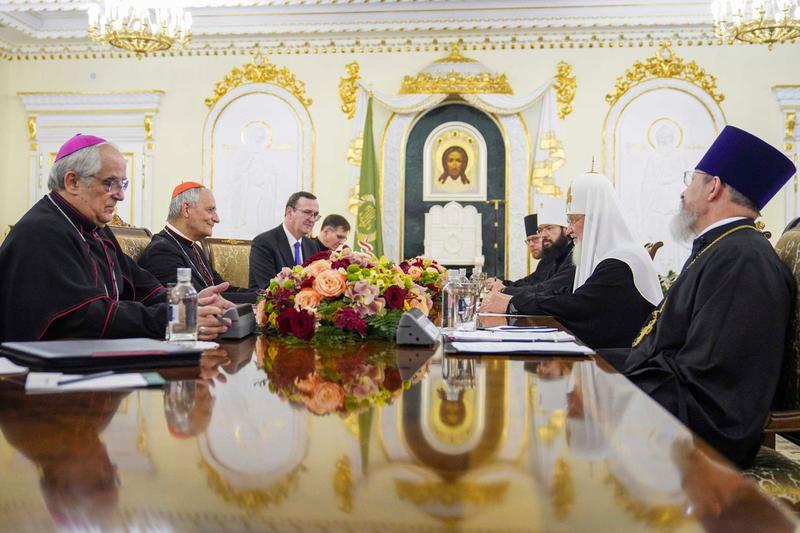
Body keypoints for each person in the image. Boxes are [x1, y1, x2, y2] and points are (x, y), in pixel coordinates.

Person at [616, 125, 796, 469]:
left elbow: (709, 383)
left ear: (714, 187)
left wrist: (611, 386)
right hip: (677, 409)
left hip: (705, 438)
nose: (683, 192)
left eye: (691, 180)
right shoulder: (722, 248)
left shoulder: (743, 260)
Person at [0, 134, 232, 342]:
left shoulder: (98, 230)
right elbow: (83, 317)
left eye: (123, 184)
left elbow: (140, 286)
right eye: (110, 183)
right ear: (73, 182)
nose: (120, 195)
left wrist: (189, 303)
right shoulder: (42, 233)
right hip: (43, 369)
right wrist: (173, 318)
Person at [480, 172, 662, 350]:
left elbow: (578, 306)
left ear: (596, 218)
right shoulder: (606, 256)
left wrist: (513, 302)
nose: (569, 230)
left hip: (625, 359)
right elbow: (566, 296)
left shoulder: (621, 261)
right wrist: (513, 298)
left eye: (573, 220)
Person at [138, 182, 256, 303]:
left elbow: (222, 289)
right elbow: (196, 300)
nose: (217, 219)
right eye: (210, 210)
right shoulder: (161, 252)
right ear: (186, 209)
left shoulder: (194, 247)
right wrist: (260, 299)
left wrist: (263, 294)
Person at [494, 196, 576, 296]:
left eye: (549, 228)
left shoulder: (574, 257)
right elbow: (533, 282)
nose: (543, 235)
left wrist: (504, 290)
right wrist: (504, 286)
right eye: (540, 230)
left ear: (565, 229)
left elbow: (547, 289)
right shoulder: (556, 256)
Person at [249, 191, 321, 289]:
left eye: (315, 215)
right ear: (289, 212)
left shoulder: (312, 246)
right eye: (307, 212)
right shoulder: (264, 243)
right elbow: (268, 288)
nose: (312, 219)